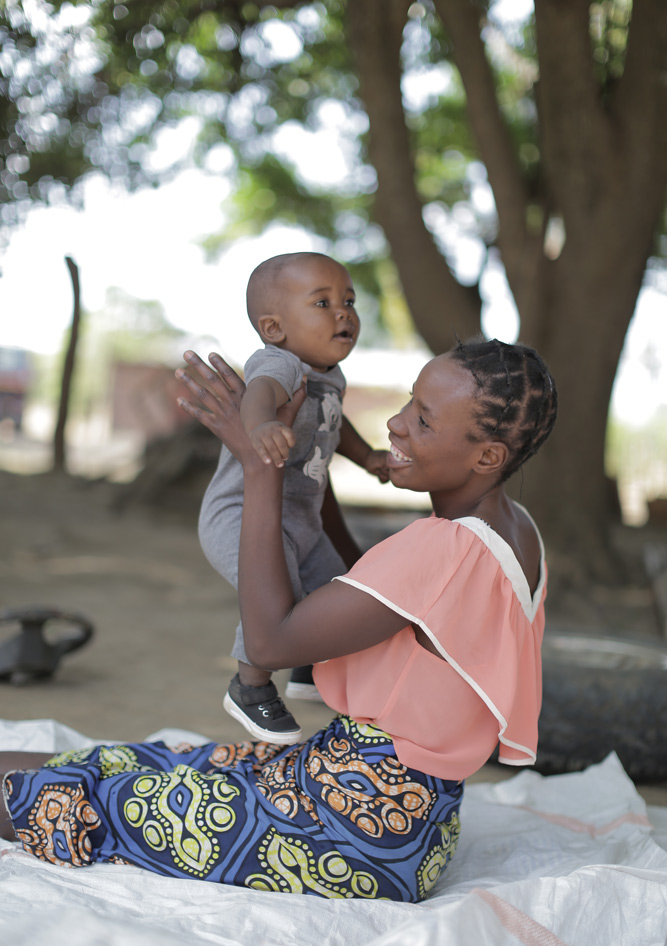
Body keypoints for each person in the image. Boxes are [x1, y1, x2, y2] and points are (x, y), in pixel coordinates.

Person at [0, 338, 558, 903]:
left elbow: (269, 642)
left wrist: (259, 467)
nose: (395, 423)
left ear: (487, 456)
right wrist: (309, 465)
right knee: (145, 760)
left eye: (423, 418)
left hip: (348, 832)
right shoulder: (517, 531)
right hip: (407, 821)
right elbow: (362, 581)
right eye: (409, 402)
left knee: (89, 800)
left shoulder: (444, 549)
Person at [198, 251, 389, 745]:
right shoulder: (280, 363)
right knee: (274, 591)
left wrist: (367, 457)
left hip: (299, 520)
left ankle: (307, 665)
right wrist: (260, 424)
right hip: (241, 515)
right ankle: (250, 685)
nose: (343, 312)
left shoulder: (331, 376)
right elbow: (259, 392)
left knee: (336, 586)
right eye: (322, 302)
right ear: (274, 327)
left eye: (348, 300)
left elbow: (333, 424)